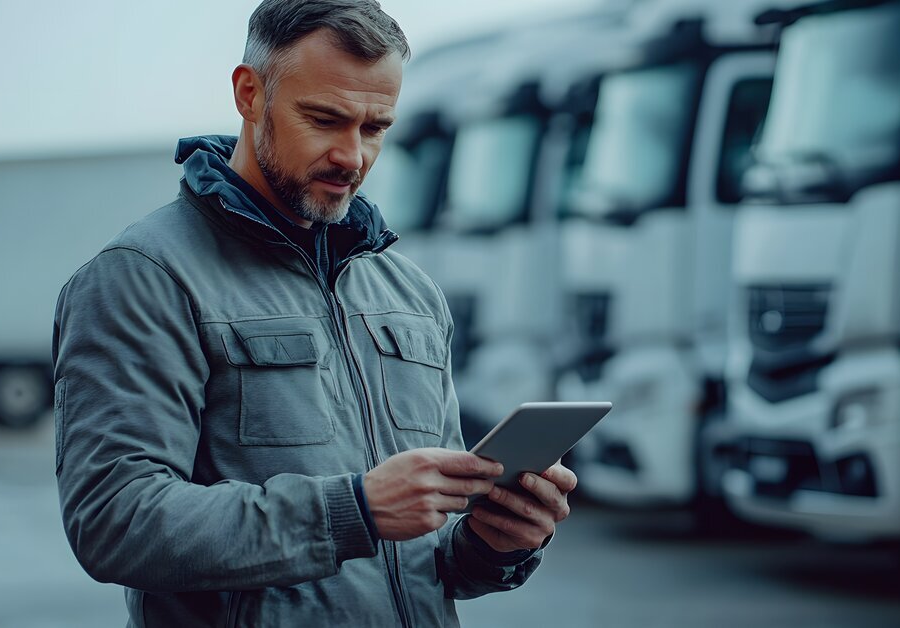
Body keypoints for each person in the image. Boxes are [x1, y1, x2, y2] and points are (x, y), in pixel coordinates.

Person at [51, 1, 577, 625]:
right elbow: (115, 520)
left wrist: (496, 543)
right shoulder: (143, 278)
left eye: (375, 127)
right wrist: (351, 510)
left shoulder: (408, 291)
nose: (352, 156)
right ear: (250, 94)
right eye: (325, 119)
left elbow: (429, 562)